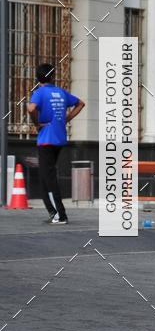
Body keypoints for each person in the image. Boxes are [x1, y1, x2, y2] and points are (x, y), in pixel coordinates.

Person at [27, 63, 85, 224]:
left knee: (49, 177)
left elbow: (31, 109)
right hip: (59, 138)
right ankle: (53, 213)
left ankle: (60, 214)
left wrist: (37, 124)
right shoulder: (61, 92)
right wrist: (66, 119)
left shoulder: (39, 93)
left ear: (38, 78)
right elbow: (80, 103)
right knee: (45, 176)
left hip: (46, 139)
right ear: (53, 77)